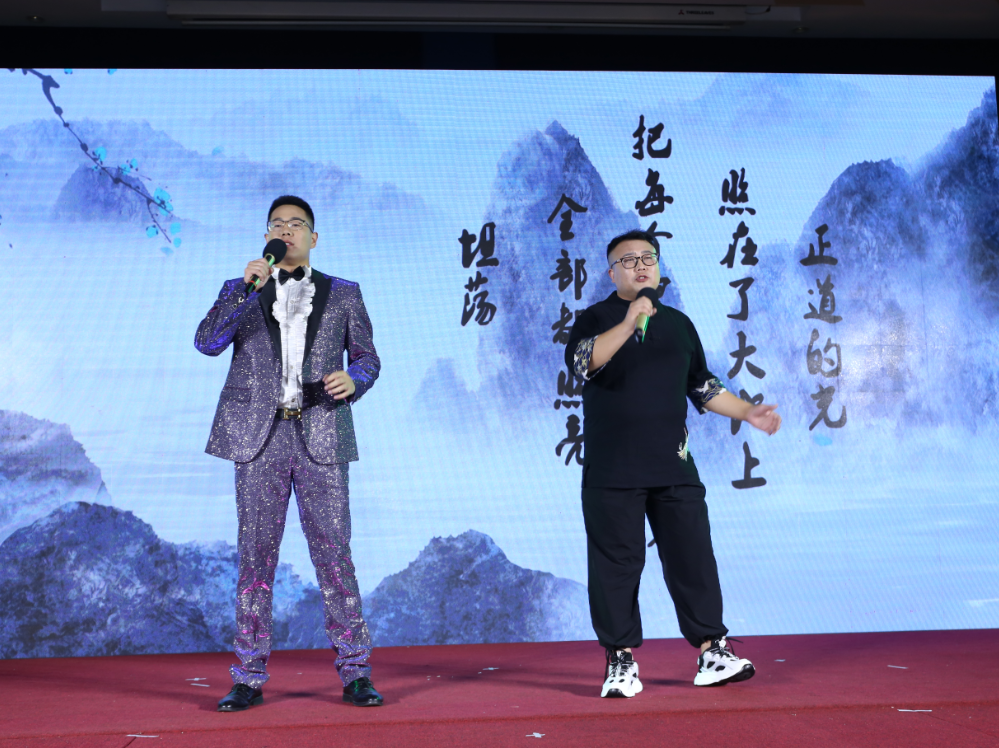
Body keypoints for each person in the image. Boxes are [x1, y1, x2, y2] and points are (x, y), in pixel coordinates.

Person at [564, 229, 781, 699]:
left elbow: (701, 385)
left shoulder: (680, 325)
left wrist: (747, 411)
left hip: (673, 466)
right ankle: (620, 660)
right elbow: (583, 363)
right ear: (612, 273)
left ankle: (712, 651)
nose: (641, 265)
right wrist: (629, 322)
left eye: (649, 257)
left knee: (693, 557)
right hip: (612, 470)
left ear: (659, 267)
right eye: (628, 260)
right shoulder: (595, 319)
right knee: (616, 566)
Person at [195, 196, 383, 710]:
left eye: (296, 224)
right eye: (277, 224)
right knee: (255, 559)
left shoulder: (344, 293)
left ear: (313, 238)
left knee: (335, 555)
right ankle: (247, 676)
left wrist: (355, 378)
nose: (286, 231)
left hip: (323, 434)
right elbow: (207, 342)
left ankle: (356, 672)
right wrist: (244, 290)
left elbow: (368, 358)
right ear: (267, 236)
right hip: (258, 439)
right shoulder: (241, 289)